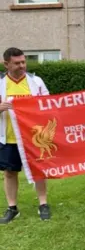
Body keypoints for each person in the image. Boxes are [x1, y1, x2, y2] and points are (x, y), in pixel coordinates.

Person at [0, 47, 51, 224]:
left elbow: (49, 105)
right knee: (10, 172)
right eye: (17, 63)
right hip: (8, 137)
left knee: (38, 170)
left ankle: (43, 204)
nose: (22, 65)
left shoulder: (36, 82)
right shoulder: (0, 84)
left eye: (23, 61)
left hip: (32, 137)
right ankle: (12, 208)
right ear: (6, 64)